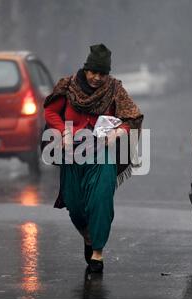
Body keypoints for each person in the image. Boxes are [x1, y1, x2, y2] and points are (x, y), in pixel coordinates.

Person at [43, 44, 144, 273]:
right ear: (85, 69)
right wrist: (63, 131)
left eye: (103, 73)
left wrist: (117, 133)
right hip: (72, 154)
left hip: (102, 153)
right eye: (94, 72)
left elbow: (133, 117)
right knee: (75, 205)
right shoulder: (68, 86)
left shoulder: (114, 89)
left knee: (100, 200)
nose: (98, 78)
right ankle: (88, 238)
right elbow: (49, 111)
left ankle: (97, 253)